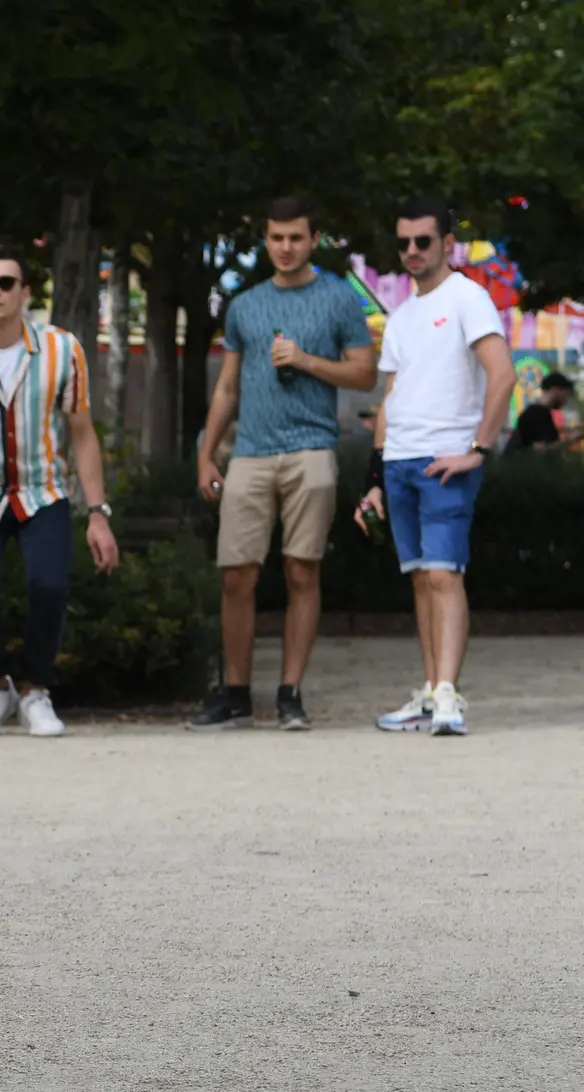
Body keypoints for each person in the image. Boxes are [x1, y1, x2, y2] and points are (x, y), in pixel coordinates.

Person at [191, 196, 377, 732]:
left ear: (313, 238)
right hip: (249, 450)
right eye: (277, 238)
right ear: (265, 240)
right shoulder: (244, 305)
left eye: (296, 237)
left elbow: (364, 374)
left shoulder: (339, 299)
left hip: (311, 448)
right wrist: (207, 455)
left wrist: (306, 361)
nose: (286, 247)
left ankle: (291, 692)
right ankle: (235, 693)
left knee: (302, 569)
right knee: (236, 575)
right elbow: (227, 387)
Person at [0, 244, 119, 738]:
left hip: (42, 490)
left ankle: (35, 689)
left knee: (50, 586)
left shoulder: (62, 350)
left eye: (6, 283)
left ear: (25, 292)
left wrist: (98, 513)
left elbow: (81, 432)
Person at [357, 198, 516, 737]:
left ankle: (449, 695)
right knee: (422, 579)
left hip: (446, 460)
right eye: (403, 242)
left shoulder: (469, 297)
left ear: (447, 243)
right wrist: (373, 482)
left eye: (423, 241)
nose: (411, 251)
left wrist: (478, 448)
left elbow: (503, 375)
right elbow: (390, 400)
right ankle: (429, 694)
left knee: (446, 575)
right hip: (400, 460)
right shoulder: (401, 316)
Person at [512, 370, 574, 450]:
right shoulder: (537, 414)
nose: (565, 400)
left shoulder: (537, 412)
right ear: (556, 390)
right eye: (566, 395)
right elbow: (541, 450)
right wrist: (570, 439)